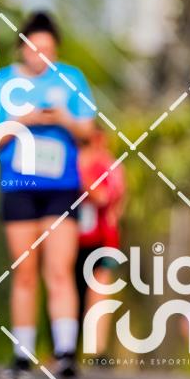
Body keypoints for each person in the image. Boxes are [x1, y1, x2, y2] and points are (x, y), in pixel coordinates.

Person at [0, 11, 95, 379]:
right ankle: (22, 352)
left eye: (48, 51)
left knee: (59, 270)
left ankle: (65, 352)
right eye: (34, 49)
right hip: (19, 187)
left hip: (61, 187)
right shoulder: (2, 82)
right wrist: (23, 121)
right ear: (21, 48)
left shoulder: (71, 78)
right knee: (25, 272)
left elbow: (88, 133)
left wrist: (62, 119)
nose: (41, 57)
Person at [75, 122, 126, 362]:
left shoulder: (109, 165)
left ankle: (97, 350)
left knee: (99, 292)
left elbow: (108, 197)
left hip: (102, 239)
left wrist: (83, 181)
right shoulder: (71, 159)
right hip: (72, 238)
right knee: (71, 290)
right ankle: (66, 347)